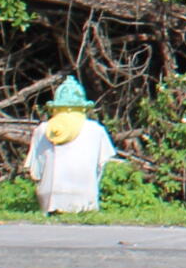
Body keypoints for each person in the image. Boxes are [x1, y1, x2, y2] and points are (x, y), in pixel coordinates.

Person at [26, 76, 117, 214]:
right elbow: (102, 163)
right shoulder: (95, 130)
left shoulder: (43, 129)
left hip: (49, 195)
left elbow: (35, 168)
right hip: (85, 194)